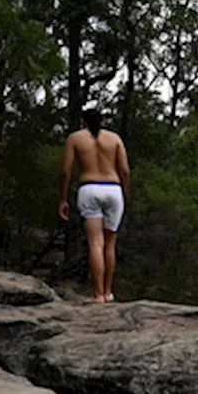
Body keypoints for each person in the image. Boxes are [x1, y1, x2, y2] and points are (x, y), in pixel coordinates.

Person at [57, 108, 130, 303]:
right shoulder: (114, 139)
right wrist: (124, 193)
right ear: (102, 121)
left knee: (95, 243)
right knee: (110, 243)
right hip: (113, 188)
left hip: (89, 188)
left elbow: (65, 171)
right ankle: (108, 291)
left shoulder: (75, 139)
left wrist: (63, 199)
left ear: (83, 122)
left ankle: (98, 294)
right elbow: (124, 171)